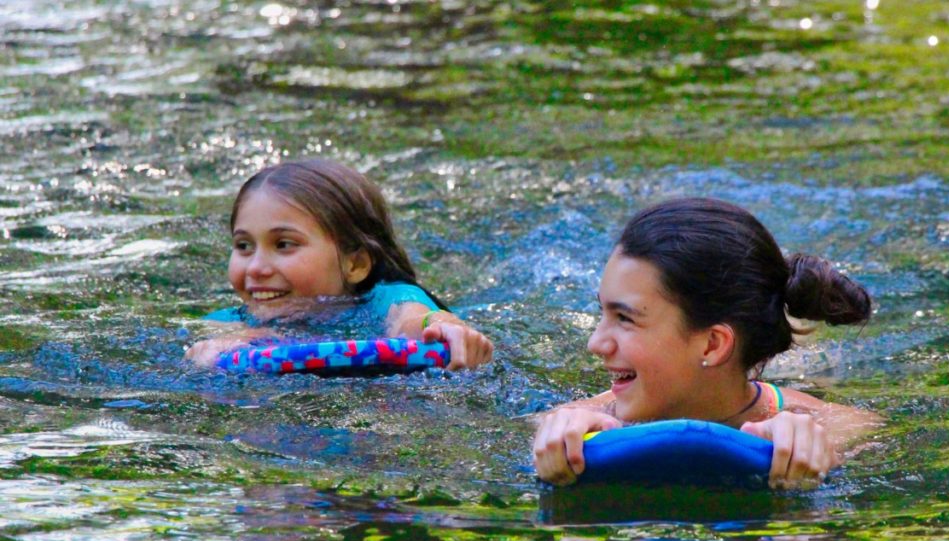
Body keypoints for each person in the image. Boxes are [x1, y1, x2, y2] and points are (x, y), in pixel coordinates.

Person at [532, 197, 881, 489]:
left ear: (712, 345)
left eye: (624, 319)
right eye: (602, 312)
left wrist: (815, 458)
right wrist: (554, 446)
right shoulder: (575, 422)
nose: (596, 343)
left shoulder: (835, 426)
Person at [185, 159, 493, 370]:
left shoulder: (387, 301)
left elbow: (416, 321)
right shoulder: (230, 321)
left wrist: (444, 329)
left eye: (283, 245)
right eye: (243, 246)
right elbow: (204, 345)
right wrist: (218, 349)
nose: (255, 268)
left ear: (355, 263)